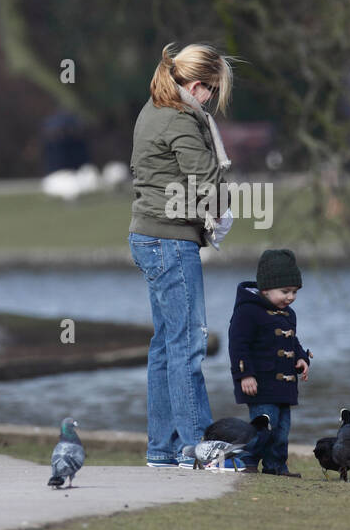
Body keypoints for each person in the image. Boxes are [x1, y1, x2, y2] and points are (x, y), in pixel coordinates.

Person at [128, 42, 236, 468]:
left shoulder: (153, 107)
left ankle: (163, 448)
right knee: (188, 344)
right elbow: (205, 177)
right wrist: (223, 215)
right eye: (211, 90)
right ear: (197, 85)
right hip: (171, 241)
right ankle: (200, 448)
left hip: (148, 237)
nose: (211, 100)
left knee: (165, 347)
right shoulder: (180, 118)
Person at [228, 248, 310, 477]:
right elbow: (238, 345)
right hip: (260, 383)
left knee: (282, 431)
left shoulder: (288, 314)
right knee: (264, 426)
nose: (290, 297)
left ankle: (276, 466)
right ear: (265, 289)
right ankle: (248, 461)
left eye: (294, 292)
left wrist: (302, 357)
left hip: (284, 385)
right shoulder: (247, 312)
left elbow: (293, 342)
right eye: (285, 291)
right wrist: (244, 374)